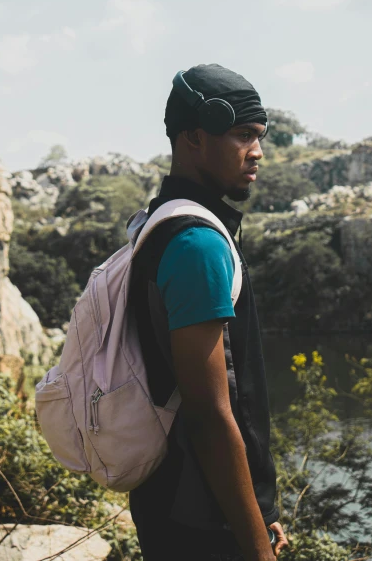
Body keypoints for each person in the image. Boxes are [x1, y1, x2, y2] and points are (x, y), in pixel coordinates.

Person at [128, 64, 289, 560]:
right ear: (194, 138)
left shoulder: (160, 221)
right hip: (202, 522)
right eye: (242, 135)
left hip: (175, 503)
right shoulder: (197, 244)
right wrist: (256, 546)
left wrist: (263, 508)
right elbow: (211, 415)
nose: (257, 151)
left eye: (259, 136)